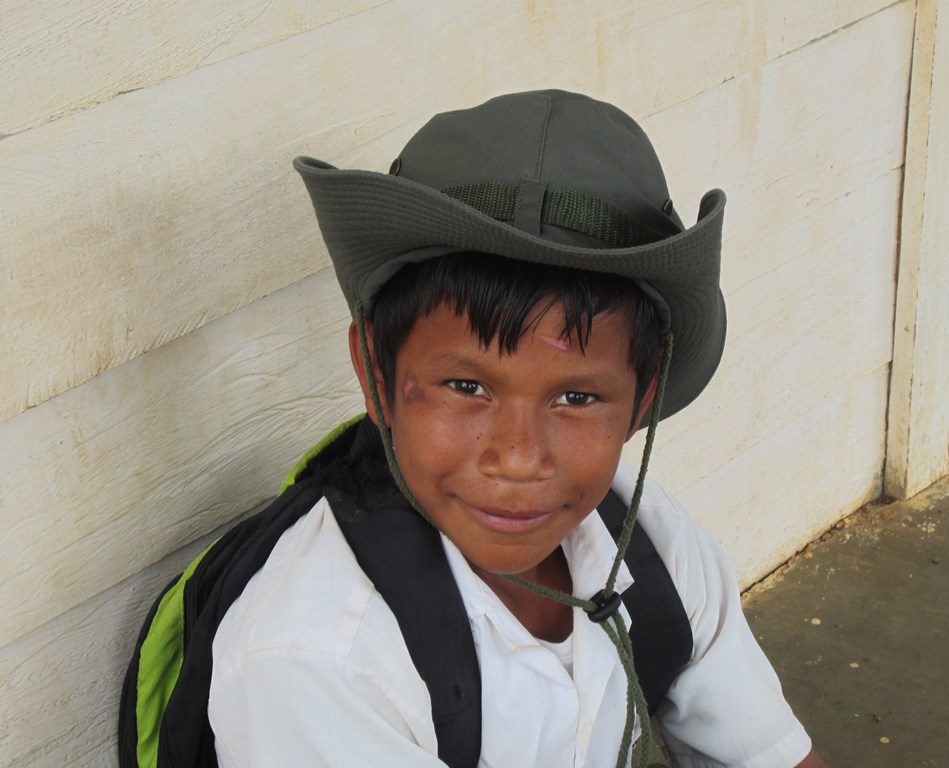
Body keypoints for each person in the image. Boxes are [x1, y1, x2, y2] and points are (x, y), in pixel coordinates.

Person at [207, 90, 827, 767]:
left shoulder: (651, 551)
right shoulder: (322, 657)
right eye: (466, 387)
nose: (518, 458)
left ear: (641, 399)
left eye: (576, 397)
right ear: (376, 379)